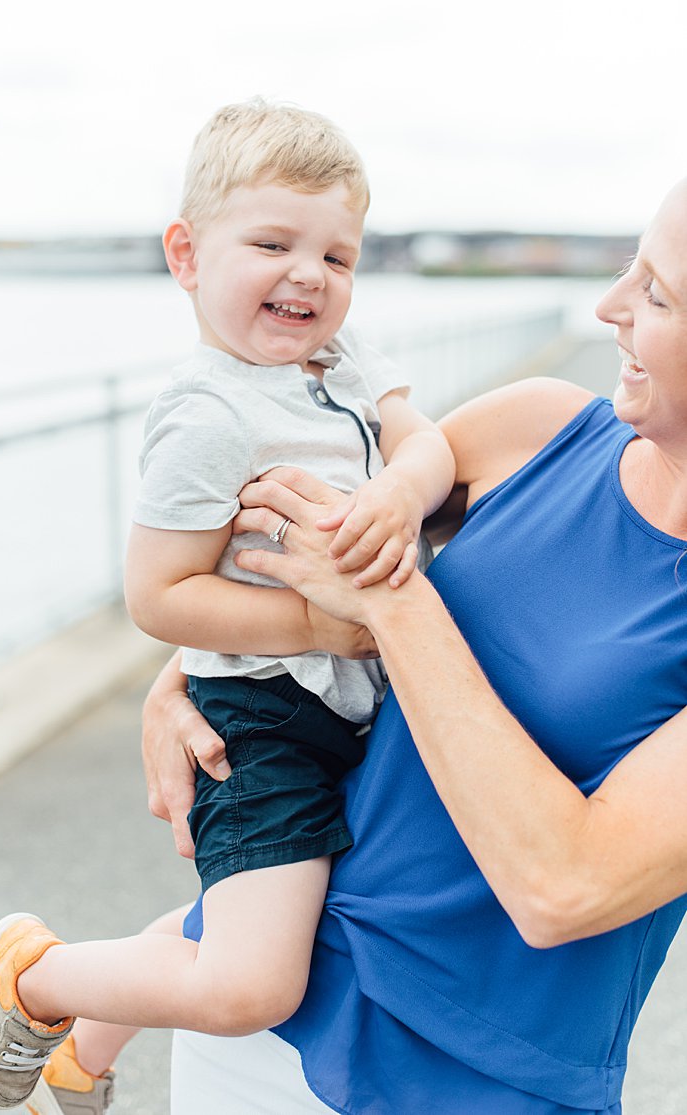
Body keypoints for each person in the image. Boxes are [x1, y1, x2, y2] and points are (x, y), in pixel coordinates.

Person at [118, 175, 687, 1112]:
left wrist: (394, 604)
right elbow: (308, 560)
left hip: (487, 1079)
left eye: (656, 293)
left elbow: (564, 886)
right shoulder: (539, 429)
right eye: (630, 264)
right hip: (274, 1004)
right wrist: (181, 670)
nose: (608, 305)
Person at [0, 99, 454, 1113]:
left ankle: (79, 1054)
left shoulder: (342, 363)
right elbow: (161, 593)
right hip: (268, 718)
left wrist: (403, 489)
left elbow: (428, 444)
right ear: (186, 254)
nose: (311, 274)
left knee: (279, 918)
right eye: (273, 242)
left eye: (338, 254)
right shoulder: (205, 414)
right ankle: (33, 974)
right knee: (252, 979)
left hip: (358, 701)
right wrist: (318, 626)